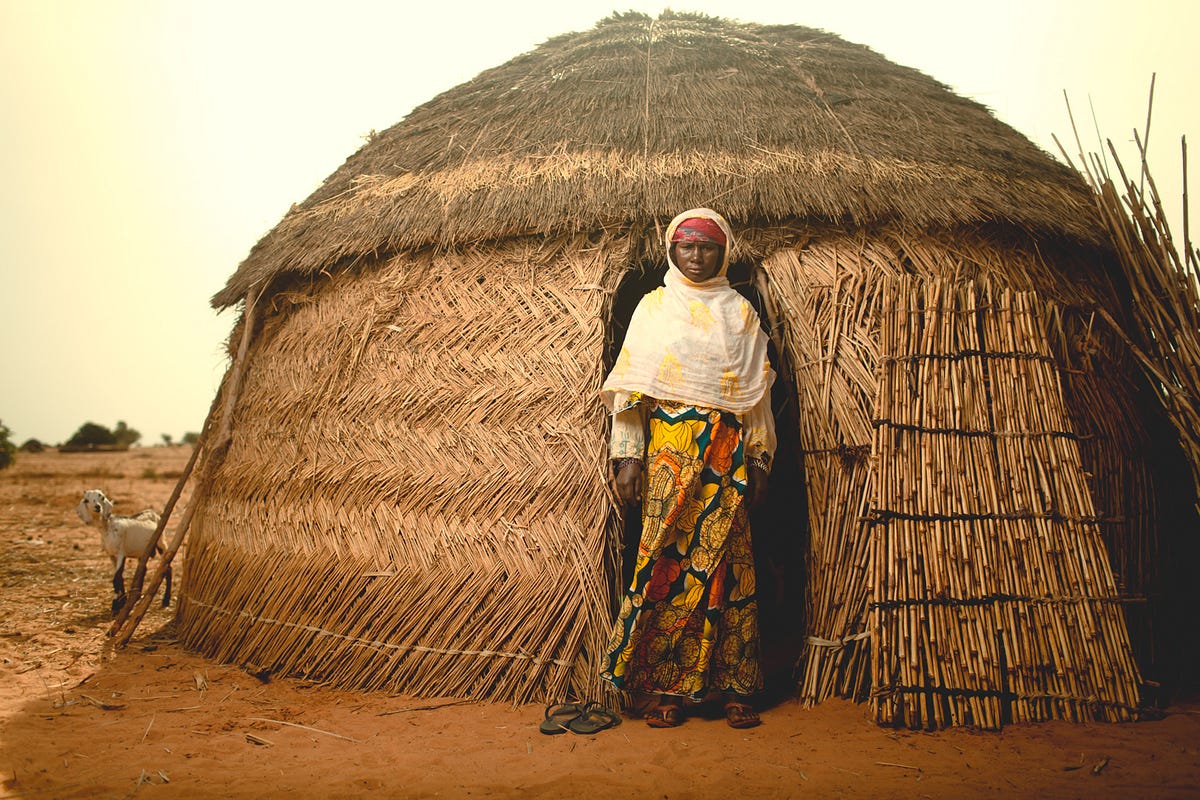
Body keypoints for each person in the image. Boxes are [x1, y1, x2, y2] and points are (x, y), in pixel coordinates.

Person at [599, 208, 777, 729]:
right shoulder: (653, 308)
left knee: (728, 564)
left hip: (727, 454)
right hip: (668, 452)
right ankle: (666, 689)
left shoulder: (740, 313)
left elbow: (756, 399)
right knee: (666, 564)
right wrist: (628, 456)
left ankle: (733, 689)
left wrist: (761, 459)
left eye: (706, 247)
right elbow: (631, 389)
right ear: (671, 251)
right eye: (686, 246)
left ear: (725, 252)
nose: (696, 256)